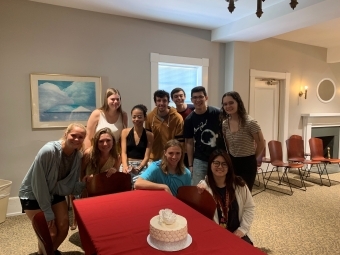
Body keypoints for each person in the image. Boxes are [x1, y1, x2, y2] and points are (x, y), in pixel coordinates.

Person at [19, 123, 89, 255]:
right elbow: (39, 183)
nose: (76, 139)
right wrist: (47, 211)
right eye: (73, 135)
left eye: (81, 137)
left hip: (54, 193)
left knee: (63, 227)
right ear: (66, 134)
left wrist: (83, 184)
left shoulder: (77, 156)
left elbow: (70, 186)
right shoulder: (48, 151)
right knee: (50, 233)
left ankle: (46, 253)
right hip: (33, 193)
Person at [197, 149, 255, 245]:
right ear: (210, 165)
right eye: (216, 163)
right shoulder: (204, 188)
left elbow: (250, 207)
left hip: (238, 233)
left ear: (229, 167)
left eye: (224, 164)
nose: (220, 167)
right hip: (215, 235)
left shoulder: (239, 185)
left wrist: (242, 230)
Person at [221, 91, 265, 191]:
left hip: (248, 163)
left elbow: (261, 144)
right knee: (232, 191)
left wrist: (253, 158)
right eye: (225, 104)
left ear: (238, 103)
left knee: (245, 193)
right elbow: (227, 143)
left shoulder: (250, 122)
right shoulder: (225, 124)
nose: (228, 106)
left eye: (231, 103)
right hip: (232, 162)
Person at [183, 86, 224, 185]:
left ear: (206, 97)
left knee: (219, 185)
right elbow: (189, 142)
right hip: (200, 159)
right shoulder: (189, 119)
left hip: (219, 157)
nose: (198, 100)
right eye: (195, 97)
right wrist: (191, 164)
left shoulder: (217, 113)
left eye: (200, 97)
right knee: (197, 187)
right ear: (191, 100)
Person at [145, 90, 184, 161]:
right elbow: (148, 140)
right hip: (153, 157)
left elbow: (180, 142)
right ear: (155, 103)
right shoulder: (149, 117)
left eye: (164, 100)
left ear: (168, 102)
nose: (161, 103)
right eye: (158, 100)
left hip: (171, 158)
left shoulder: (177, 118)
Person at [120, 104, 154, 185]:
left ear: (145, 118)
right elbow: (123, 152)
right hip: (127, 163)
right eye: (134, 117)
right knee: (123, 186)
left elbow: (147, 157)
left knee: (138, 185)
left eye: (139, 117)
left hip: (141, 165)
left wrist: (138, 169)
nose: (136, 119)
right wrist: (125, 166)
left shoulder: (149, 135)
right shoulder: (125, 132)